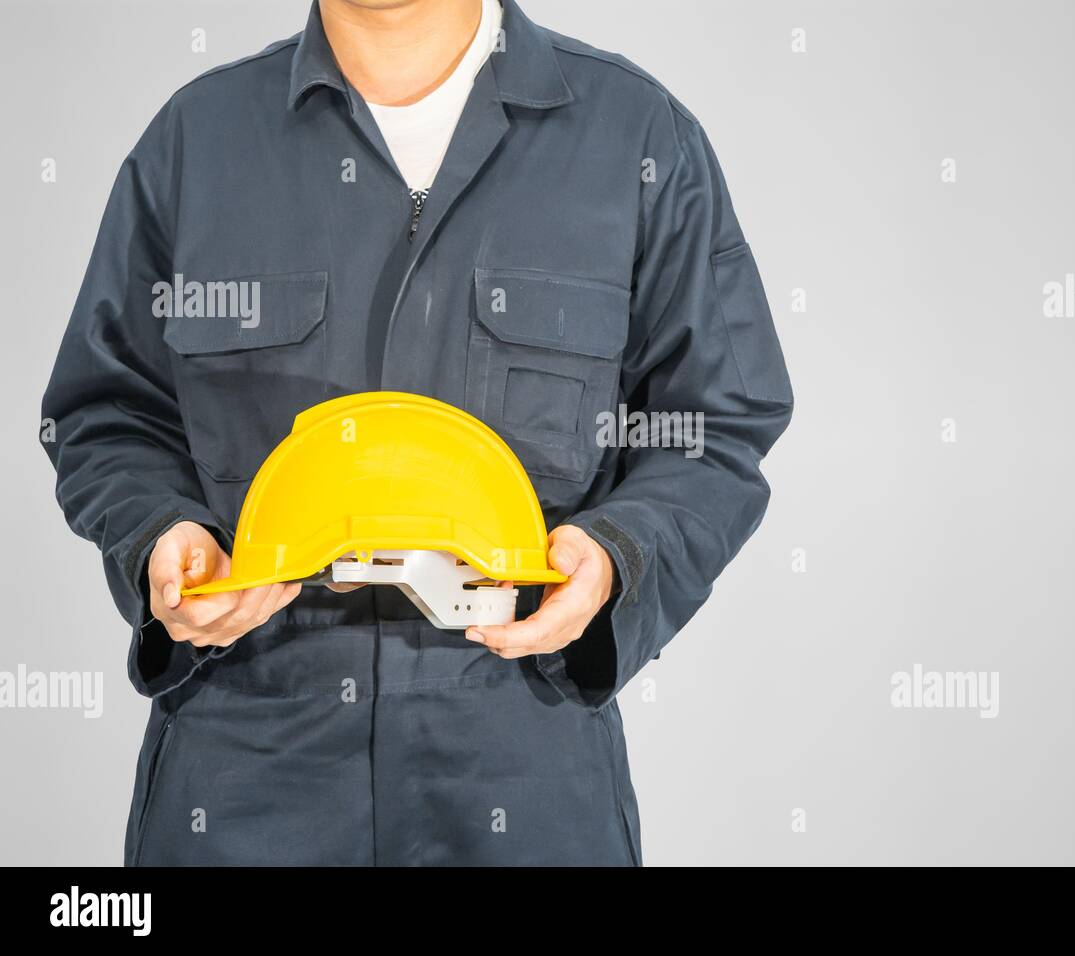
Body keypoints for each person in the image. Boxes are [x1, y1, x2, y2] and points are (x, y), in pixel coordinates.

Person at [40, 0, 792, 866]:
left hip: (525, 758)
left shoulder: (636, 137)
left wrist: (620, 551)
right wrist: (163, 536)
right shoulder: (196, 142)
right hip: (243, 766)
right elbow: (105, 410)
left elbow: (716, 420)